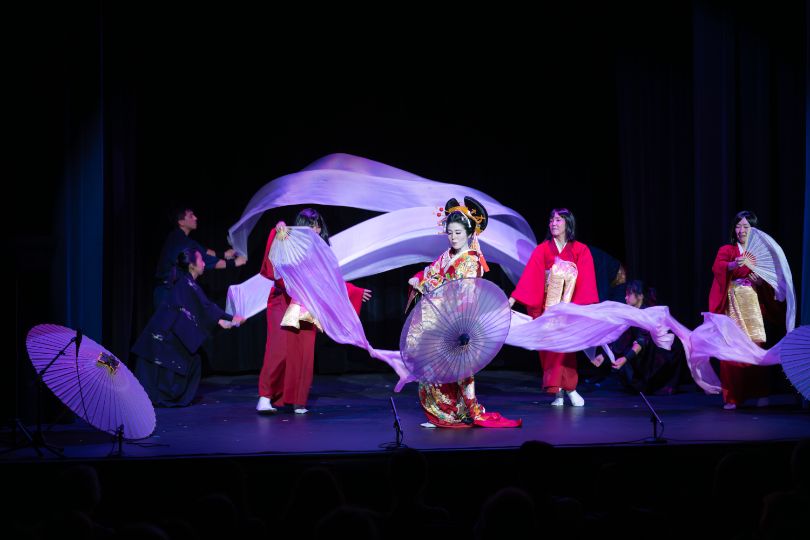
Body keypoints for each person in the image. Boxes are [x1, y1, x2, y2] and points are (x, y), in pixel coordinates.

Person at [407, 197, 521, 428]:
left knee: (455, 369)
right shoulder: (448, 255)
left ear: (469, 233)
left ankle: (454, 413)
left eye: (458, 232)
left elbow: (465, 294)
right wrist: (419, 278)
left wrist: (432, 285)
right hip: (438, 316)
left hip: (457, 319)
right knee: (434, 367)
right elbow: (430, 272)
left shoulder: (471, 261)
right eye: (450, 232)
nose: (454, 237)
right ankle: (440, 414)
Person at [256, 208, 371, 414]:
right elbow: (271, 269)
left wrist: (352, 291)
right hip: (282, 302)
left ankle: (298, 400)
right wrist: (277, 230)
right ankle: (265, 396)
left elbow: (328, 281)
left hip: (305, 304)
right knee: (279, 350)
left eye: (318, 225)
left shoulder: (319, 253)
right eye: (310, 225)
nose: (315, 230)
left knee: (303, 353)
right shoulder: (286, 241)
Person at [133, 248, 246, 407]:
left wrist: (219, 321)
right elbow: (206, 307)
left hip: (170, 332)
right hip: (165, 334)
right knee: (183, 362)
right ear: (192, 265)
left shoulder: (187, 282)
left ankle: (167, 396)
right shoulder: (186, 283)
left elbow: (197, 309)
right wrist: (231, 317)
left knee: (193, 360)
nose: (204, 263)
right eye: (201, 260)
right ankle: (164, 397)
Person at [509, 208, 599, 407]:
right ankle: (558, 392)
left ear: (568, 223)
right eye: (551, 220)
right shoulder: (542, 250)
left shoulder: (580, 250)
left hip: (569, 308)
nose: (553, 223)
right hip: (546, 309)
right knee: (550, 351)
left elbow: (586, 279)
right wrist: (514, 299)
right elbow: (530, 277)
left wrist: (581, 308)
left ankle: (571, 389)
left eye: (558, 220)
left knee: (566, 350)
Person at [708, 210, 783, 410]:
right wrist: (733, 265)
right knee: (731, 348)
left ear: (754, 230)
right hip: (733, 303)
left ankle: (760, 393)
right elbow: (718, 267)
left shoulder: (759, 254)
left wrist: (760, 282)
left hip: (751, 304)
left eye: (746, 227)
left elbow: (769, 278)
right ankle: (732, 397)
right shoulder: (728, 249)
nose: (741, 230)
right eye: (738, 226)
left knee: (755, 347)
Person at [591, 280, 683, 395]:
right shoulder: (632, 313)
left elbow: (641, 341)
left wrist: (625, 359)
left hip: (662, 357)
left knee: (647, 384)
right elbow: (621, 337)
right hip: (647, 354)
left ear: (640, 296)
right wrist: (604, 356)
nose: (625, 297)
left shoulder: (645, 315)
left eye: (629, 294)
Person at [153, 207, 247, 308]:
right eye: (191, 216)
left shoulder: (176, 237)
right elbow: (206, 259)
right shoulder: (183, 242)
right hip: (168, 293)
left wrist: (224, 254)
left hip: (167, 291)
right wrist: (235, 262)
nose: (196, 218)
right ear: (181, 222)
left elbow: (203, 251)